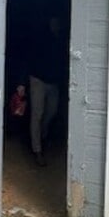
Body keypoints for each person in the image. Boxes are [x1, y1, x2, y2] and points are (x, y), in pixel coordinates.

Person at [28, 16, 68, 166]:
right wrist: (21, 82)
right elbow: (28, 57)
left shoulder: (62, 40)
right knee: (37, 114)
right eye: (53, 22)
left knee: (51, 111)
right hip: (38, 79)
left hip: (54, 82)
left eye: (58, 22)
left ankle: (42, 134)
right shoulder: (40, 38)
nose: (56, 24)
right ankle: (37, 150)